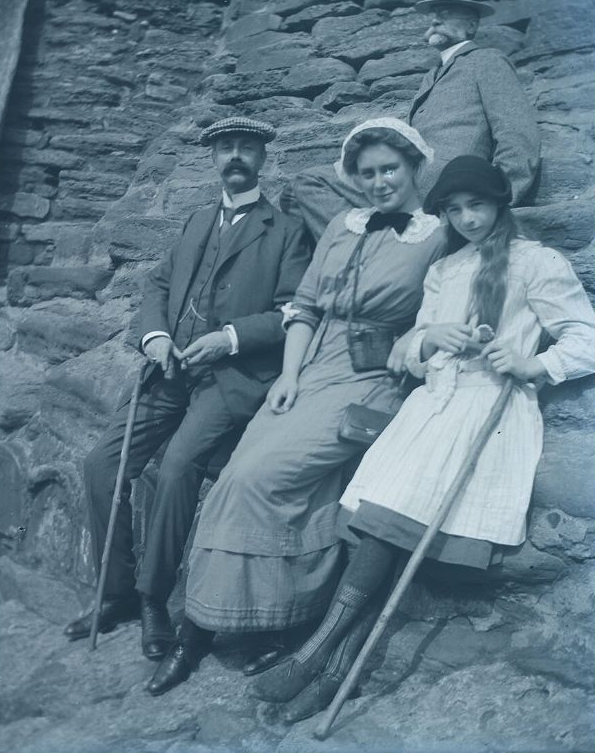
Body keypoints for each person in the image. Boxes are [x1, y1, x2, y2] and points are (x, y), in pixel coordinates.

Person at [254, 155, 595, 723]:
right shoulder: (445, 269)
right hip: (430, 411)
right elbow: (406, 357)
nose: (466, 219)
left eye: (477, 206)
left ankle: (320, 659)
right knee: (379, 526)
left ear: (500, 204)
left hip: (489, 411)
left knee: (390, 524)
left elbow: (587, 335)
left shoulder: (537, 262)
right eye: (454, 210)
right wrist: (429, 336)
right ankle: (336, 671)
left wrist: (533, 361)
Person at [152, 118, 448, 697]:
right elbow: (304, 306)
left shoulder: (439, 237)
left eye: (391, 169)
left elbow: (445, 309)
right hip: (307, 368)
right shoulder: (342, 224)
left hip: (369, 377)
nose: (380, 181)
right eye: (367, 173)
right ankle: (216, 627)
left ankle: (254, 622)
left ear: (415, 169)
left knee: (261, 478)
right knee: (237, 473)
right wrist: (287, 377)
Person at [63, 117, 310, 681]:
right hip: (169, 371)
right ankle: (117, 591)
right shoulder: (198, 220)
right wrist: (154, 337)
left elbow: (294, 311)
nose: (236, 156)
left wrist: (229, 338)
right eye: (226, 148)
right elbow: (156, 286)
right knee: (101, 462)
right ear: (213, 157)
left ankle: (154, 598)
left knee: (176, 468)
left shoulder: (287, 230)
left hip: (232, 379)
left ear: (263, 157)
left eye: (247, 147)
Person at [280, 0, 540, 240]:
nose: (436, 19)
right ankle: (374, 250)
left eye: (447, 13)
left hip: (443, 181)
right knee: (295, 191)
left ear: (471, 24)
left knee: (308, 182)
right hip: (401, 174)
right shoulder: (432, 75)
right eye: (435, 13)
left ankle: (369, 254)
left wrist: (500, 200)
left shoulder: (486, 60)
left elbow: (517, 133)